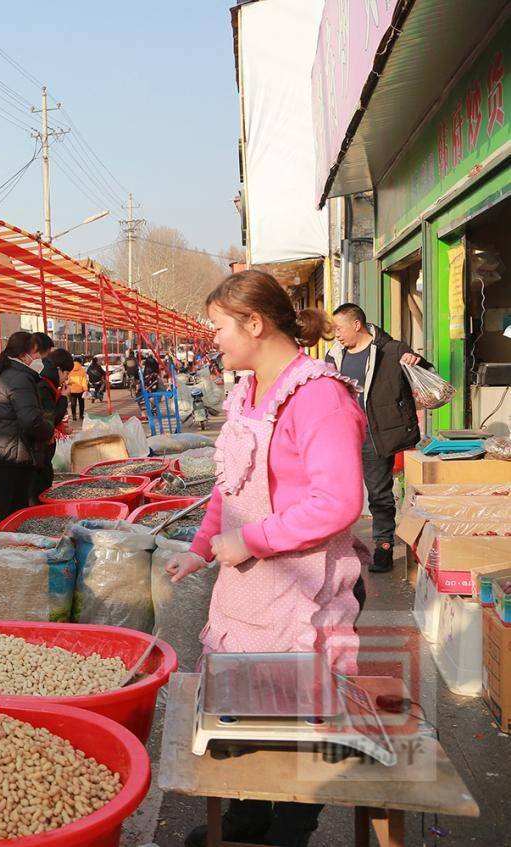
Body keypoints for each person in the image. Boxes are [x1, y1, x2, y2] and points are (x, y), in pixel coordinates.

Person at [165, 270, 365, 847]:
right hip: (248, 591)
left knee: (297, 725)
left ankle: (290, 829)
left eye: (220, 327)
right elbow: (230, 490)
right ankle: (249, 819)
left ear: (255, 324)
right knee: (251, 715)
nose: (215, 340)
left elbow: (339, 502)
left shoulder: (319, 397)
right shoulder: (245, 391)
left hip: (301, 593)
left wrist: (250, 541)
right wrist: (202, 549)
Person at [326, 303, 426, 574]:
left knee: (379, 494)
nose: (336, 334)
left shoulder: (390, 350)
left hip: (374, 433)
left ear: (356, 324)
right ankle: (336, 548)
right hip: (342, 435)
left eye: (339, 328)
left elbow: (424, 372)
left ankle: (383, 546)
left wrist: (414, 359)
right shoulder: (334, 355)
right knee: (335, 492)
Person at [0, 331, 55, 519]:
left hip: (4, 450)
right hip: (10, 454)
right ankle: (7, 547)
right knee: (14, 514)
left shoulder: (9, 374)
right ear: (23, 355)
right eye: (36, 353)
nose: (38, 358)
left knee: (10, 511)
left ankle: (8, 545)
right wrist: (49, 431)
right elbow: (30, 419)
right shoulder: (19, 378)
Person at [34, 348, 74, 494]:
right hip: (39, 452)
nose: (66, 378)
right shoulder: (44, 387)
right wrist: (63, 398)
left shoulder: (46, 383)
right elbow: (51, 419)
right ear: (58, 369)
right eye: (66, 373)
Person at [66, 356, 88, 420]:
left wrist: (68, 383)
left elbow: (67, 379)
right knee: (81, 403)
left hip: (72, 389)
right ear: (80, 362)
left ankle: (74, 416)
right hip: (80, 390)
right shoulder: (82, 370)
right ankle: (81, 416)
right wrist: (85, 389)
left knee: (73, 404)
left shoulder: (70, 369)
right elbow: (84, 381)